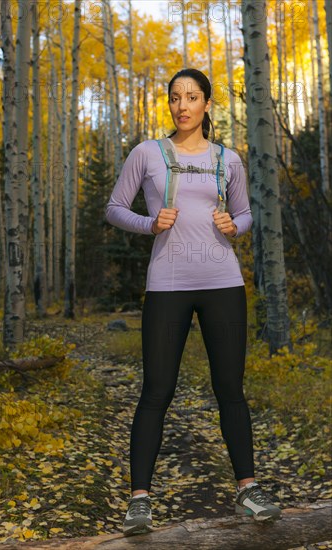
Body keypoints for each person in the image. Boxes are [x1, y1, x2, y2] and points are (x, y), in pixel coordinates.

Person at [105, 68, 281, 536]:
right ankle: (139, 500)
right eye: (176, 97)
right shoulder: (147, 153)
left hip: (223, 281)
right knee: (156, 390)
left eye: (193, 97)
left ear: (207, 105)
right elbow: (114, 207)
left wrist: (234, 228)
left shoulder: (229, 159)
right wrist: (149, 223)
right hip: (168, 283)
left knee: (230, 389)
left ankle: (248, 489)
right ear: (169, 104)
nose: (183, 105)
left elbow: (245, 214)